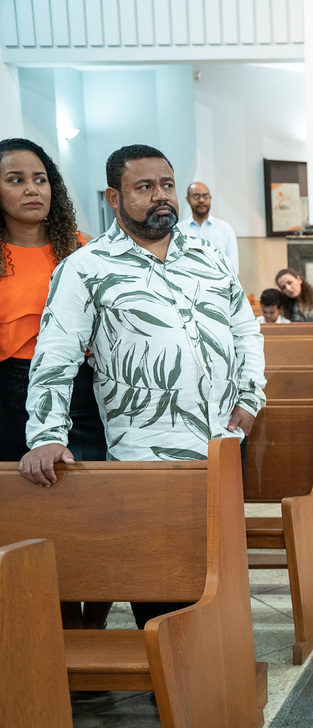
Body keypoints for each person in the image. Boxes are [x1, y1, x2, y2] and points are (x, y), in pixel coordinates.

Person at [18, 144, 265, 629]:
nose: (161, 197)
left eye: (167, 185)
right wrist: (46, 433)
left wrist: (251, 395)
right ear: (114, 197)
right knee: (164, 582)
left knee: (223, 570)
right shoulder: (86, 268)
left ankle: (221, 670)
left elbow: (245, 328)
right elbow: (57, 353)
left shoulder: (208, 256)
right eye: (144, 187)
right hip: (148, 450)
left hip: (221, 442)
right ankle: (171, 688)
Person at [0, 137, 110, 630]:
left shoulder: (83, 249)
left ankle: (96, 618)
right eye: (15, 179)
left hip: (83, 389)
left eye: (40, 179)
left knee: (92, 507)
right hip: (10, 390)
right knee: (36, 512)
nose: (31, 189)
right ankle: (54, 626)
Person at [180, 181, 238, 272]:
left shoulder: (225, 229)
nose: (201, 200)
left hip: (220, 285)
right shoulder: (178, 230)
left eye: (205, 196)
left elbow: (233, 267)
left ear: (210, 198)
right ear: (188, 200)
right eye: (196, 196)